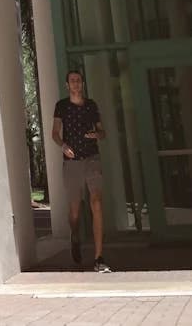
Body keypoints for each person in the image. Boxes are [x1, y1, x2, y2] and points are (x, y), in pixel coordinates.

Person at [52, 69, 111, 273]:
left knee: (96, 201)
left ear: (82, 84)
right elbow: (54, 133)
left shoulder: (91, 106)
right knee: (75, 211)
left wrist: (97, 134)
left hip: (92, 159)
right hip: (72, 162)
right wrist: (63, 146)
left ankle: (99, 257)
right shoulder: (61, 106)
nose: (76, 84)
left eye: (78, 80)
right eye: (72, 81)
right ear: (67, 85)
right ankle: (75, 234)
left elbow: (103, 132)